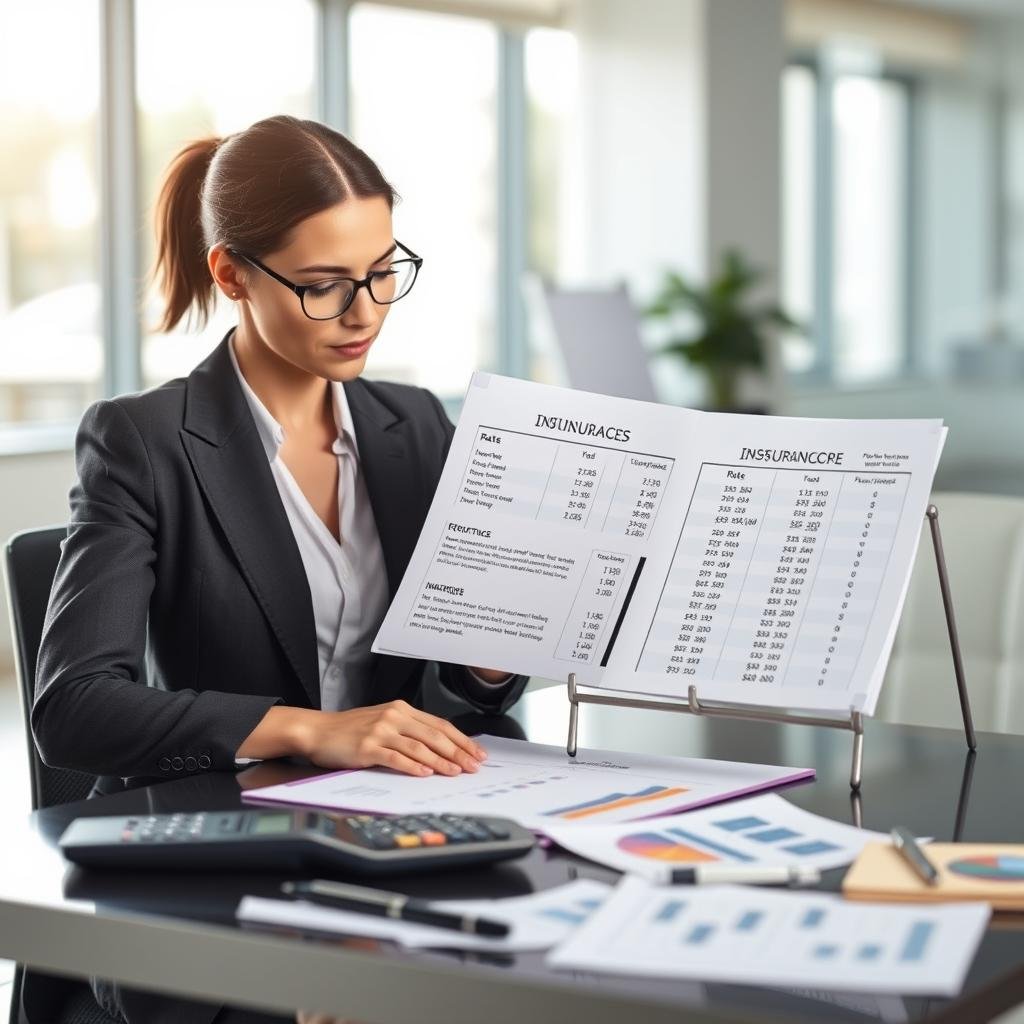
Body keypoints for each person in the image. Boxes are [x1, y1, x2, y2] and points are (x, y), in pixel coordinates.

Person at [29, 113, 527, 1024]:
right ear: (231, 274)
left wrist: (490, 655)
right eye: (325, 286)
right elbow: (72, 708)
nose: (365, 311)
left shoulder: (414, 424)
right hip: (225, 838)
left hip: (396, 831)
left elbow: (463, 684)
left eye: (383, 273)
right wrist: (308, 731)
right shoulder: (144, 442)